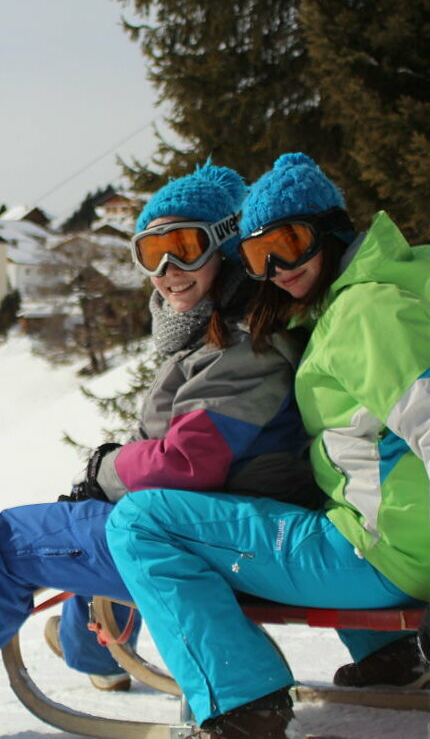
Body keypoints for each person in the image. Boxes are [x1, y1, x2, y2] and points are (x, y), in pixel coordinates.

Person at [104, 152, 430, 739]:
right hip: (403, 547)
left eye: (290, 243)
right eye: (258, 256)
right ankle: (387, 655)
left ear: (331, 229)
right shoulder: (354, 306)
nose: (277, 267)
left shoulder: (368, 313)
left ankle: (242, 703)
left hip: (386, 556)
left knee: (141, 522)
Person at [1, 161, 318, 699]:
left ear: (226, 245)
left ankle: (93, 653)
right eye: (151, 253)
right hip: (217, 521)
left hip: (227, 532)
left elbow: (188, 464)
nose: (169, 268)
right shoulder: (212, 334)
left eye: (186, 247)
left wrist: (106, 468)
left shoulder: (245, 344)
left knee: (10, 539)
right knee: (91, 515)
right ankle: (95, 653)